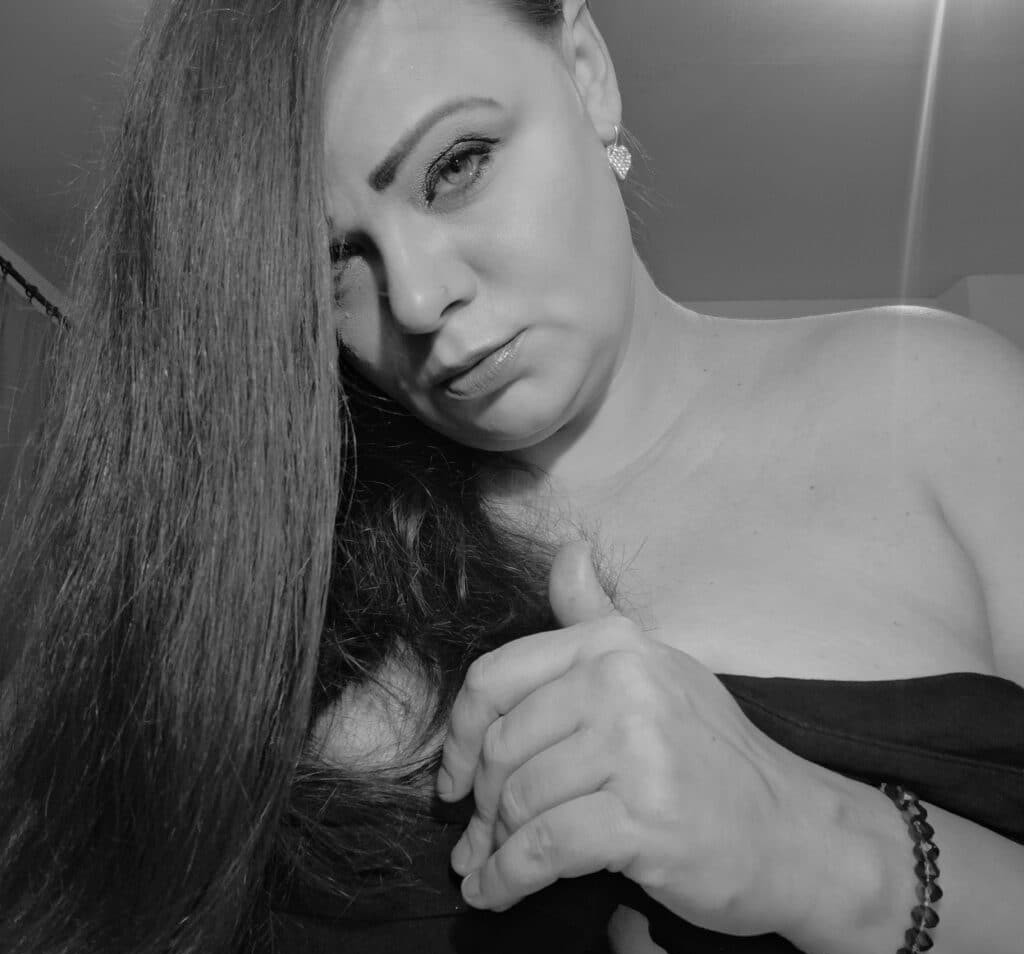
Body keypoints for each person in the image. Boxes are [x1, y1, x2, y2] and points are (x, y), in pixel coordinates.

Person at [0, 3, 1021, 954]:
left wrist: (824, 849)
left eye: (457, 165)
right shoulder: (261, 578)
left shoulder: (932, 399)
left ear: (585, 70)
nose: (416, 298)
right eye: (332, 259)